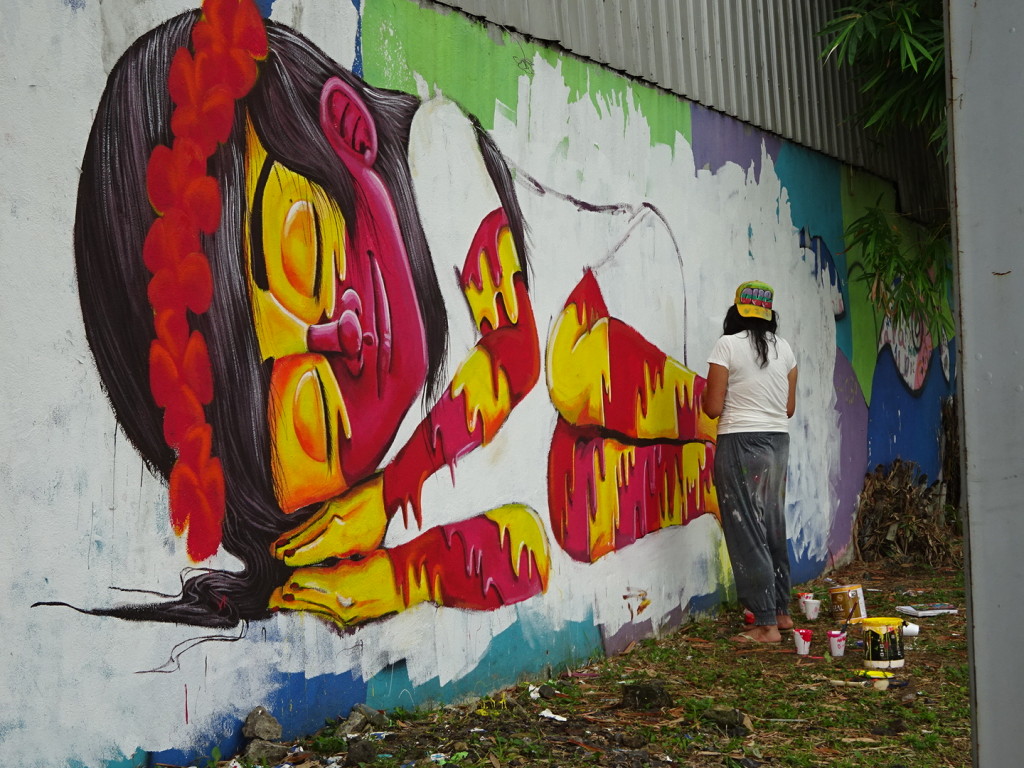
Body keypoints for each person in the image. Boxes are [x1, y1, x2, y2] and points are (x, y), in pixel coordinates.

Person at [702, 281, 798, 644]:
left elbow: (712, 407)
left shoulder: (727, 345)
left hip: (741, 442)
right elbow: (788, 408)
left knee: (746, 530)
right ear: (769, 315)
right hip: (778, 441)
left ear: (737, 310)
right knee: (772, 524)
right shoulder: (785, 349)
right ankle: (782, 611)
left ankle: (765, 624)